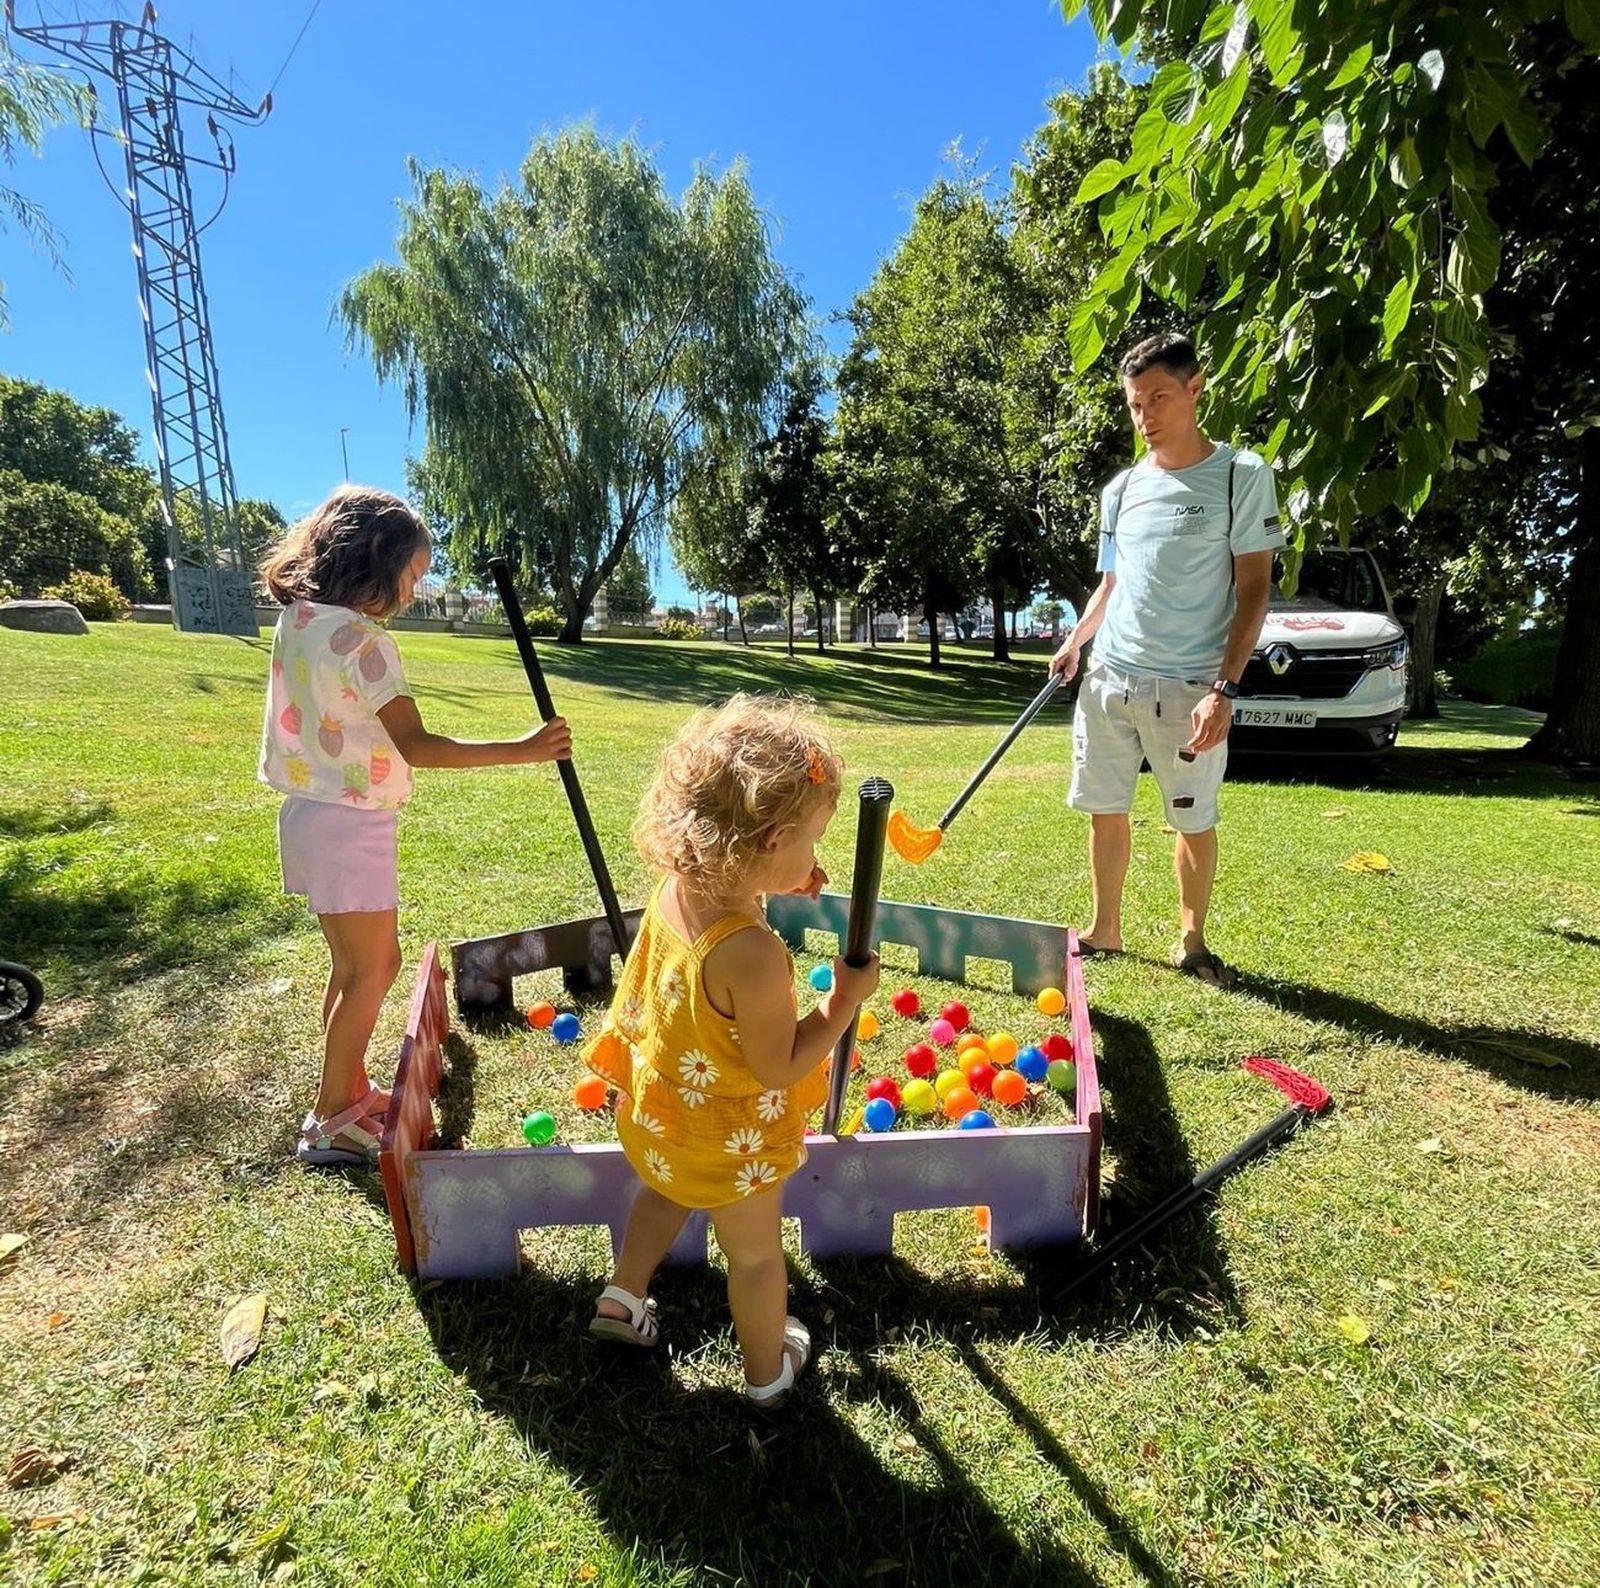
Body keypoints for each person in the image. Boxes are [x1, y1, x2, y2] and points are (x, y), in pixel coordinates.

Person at [258, 485, 572, 1166]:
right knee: (376, 968)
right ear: (379, 562)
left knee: (351, 970)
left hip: (310, 815)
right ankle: (332, 1119)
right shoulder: (365, 643)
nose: (411, 592)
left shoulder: (300, 620)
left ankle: (343, 1091)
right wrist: (526, 748)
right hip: (351, 823)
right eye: (412, 576)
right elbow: (418, 747)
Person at [583, 695, 878, 1408]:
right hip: (726, 1144)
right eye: (811, 842)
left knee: (665, 1194)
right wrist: (842, 1003)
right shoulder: (753, 954)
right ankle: (768, 1374)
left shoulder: (680, 887)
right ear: (771, 839)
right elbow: (779, 1064)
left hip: (657, 1120)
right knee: (753, 1257)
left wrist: (777, 883)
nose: (816, 859)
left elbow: (727, 913)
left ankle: (623, 1296)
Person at [1049, 332, 1283, 988]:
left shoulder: (1241, 476)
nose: (1146, 416)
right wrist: (1078, 639)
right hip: (1110, 678)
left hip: (1189, 686)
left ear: (1194, 389)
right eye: (1133, 404)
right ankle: (1105, 929)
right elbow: (1112, 583)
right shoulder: (1122, 490)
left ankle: (1191, 939)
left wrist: (1224, 689)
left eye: (1158, 398)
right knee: (1104, 806)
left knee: (1192, 817)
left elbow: (1255, 587)